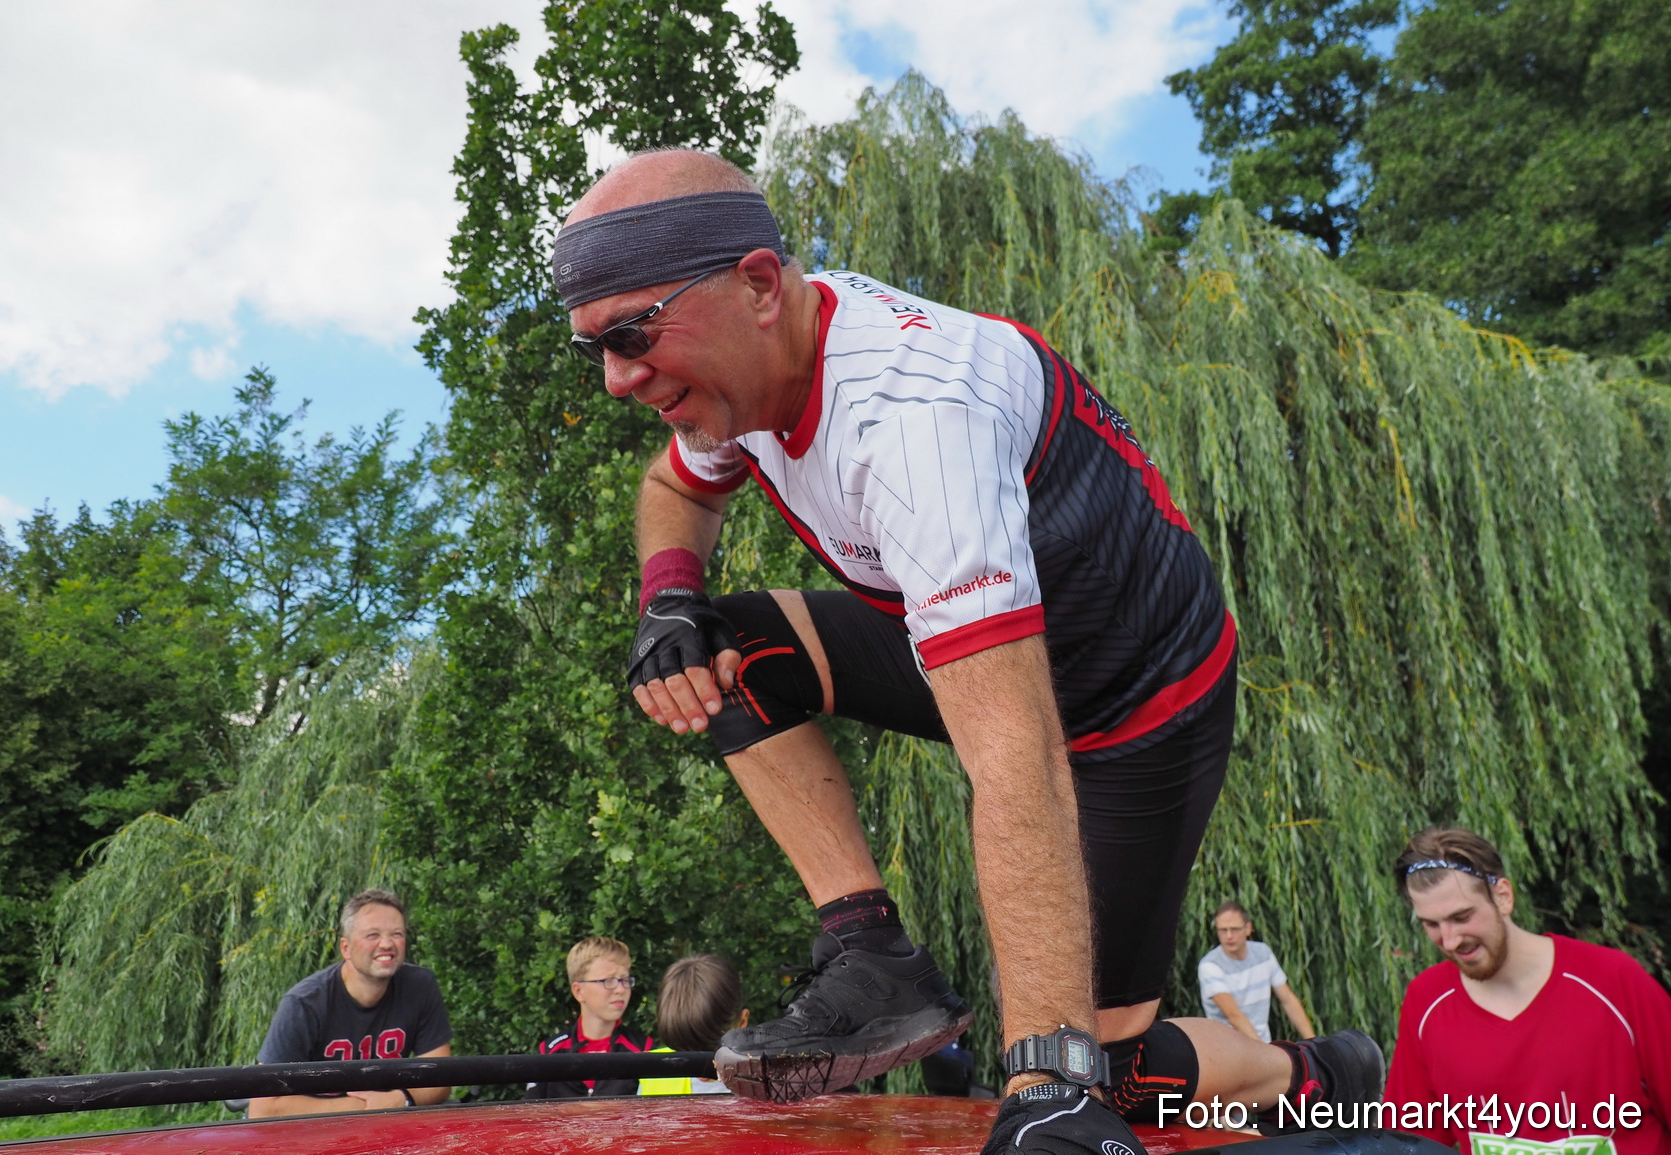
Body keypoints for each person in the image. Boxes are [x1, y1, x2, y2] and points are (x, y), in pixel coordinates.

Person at [552, 147, 1384, 1154]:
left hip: (1135, 704)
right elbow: (676, 489)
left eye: (632, 334)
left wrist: (1047, 1077)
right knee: (720, 651)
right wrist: (668, 601)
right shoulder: (747, 370)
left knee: (1115, 1073)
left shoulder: (911, 422)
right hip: (994, 651)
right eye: (591, 347)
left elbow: (1014, 756)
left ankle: (1321, 1073)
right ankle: (870, 951)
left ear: (759, 287)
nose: (613, 378)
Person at [1385, 826, 1671, 1154]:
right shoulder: (1427, 1000)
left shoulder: (1612, 979)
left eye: (1462, 917)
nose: (1449, 940)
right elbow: (1408, 1143)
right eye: (1431, 924)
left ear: (1503, 896)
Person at [247, 889, 452, 1118]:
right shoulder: (304, 1004)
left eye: (397, 934)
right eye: (372, 935)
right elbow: (263, 1108)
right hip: (314, 1133)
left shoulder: (420, 986)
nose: (386, 944)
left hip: (388, 1125)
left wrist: (400, 1098)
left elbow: (441, 1078)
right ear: (346, 948)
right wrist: (361, 1108)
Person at [529, 936, 654, 1099]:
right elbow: (532, 1117)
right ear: (578, 991)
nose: (620, 989)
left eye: (624, 980)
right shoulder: (550, 1052)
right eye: (608, 981)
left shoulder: (644, 1050)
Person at [1198, 902, 1315, 1043]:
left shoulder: (1263, 953)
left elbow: (1288, 1000)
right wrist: (1264, 1053)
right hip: (1227, 1051)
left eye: (1234, 929)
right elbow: (1234, 1015)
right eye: (1223, 930)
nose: (1228, 936)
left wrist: (1313, 1044)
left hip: (1261, 1047)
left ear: (1248, 928)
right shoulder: (1210, 965)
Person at [639, 953, 749, 1096]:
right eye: (683, 1052)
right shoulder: (653, 1074)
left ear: (742, 1023)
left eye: (713, 1053)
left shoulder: (773, 1083)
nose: (701, 1069)